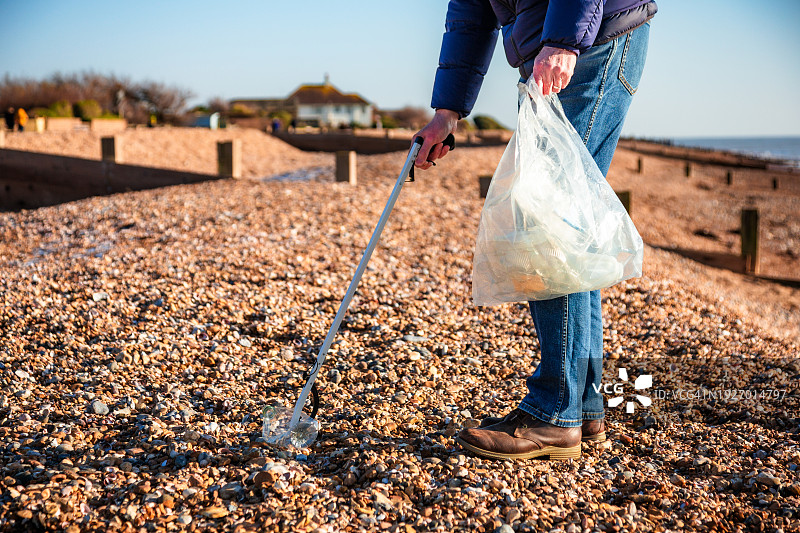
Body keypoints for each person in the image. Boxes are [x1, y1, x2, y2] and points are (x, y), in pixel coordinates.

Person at [413, 0, 657, 460]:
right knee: (567, 230)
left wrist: (565, 39)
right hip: (557, 46)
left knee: (546, 223)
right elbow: (470, 14)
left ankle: (554, 412)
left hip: (590, 41)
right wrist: (447, 111)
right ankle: (582, 409)